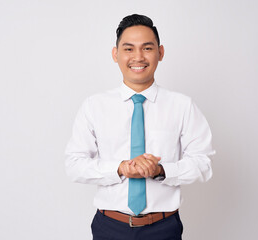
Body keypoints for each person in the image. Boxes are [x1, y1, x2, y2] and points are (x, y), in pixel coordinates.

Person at [65, 14, 215, 240]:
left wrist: (161, 171)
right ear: (115, 54)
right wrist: (120, 168)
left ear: (160, 52)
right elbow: (74, 164)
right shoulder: (94, 106)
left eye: (147, 48)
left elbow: (203, 163)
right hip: (109, 227)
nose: (138, 57)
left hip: (163, 228)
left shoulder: (182, 106)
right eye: (128, 49)